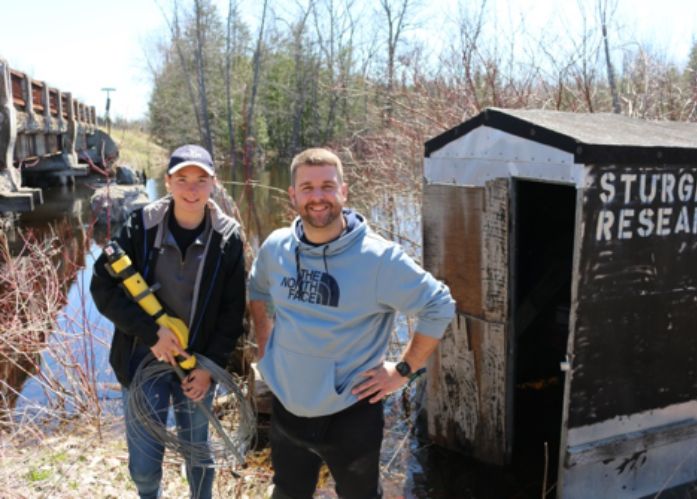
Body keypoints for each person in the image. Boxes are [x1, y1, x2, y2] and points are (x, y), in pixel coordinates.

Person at [248, 148, 455, 499]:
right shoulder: (276, 247)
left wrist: (404, 370)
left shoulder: (379, 259)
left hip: (350, 414)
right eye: (308, 187)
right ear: (293, 195)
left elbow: (438, 304)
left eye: (327, 186)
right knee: (286, 492)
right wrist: (266, 347)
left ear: (344, 191)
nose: (318, 197)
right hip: (286, 408)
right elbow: (257, 287)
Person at [90, 144, 246, 499]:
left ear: (213, 184)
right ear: (169, 182)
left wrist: (209, 367)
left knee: (199, 456)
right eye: (182, 179)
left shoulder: (229, 238)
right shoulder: (140, 227)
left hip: (197, 367)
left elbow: (231, 313)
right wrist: (151, 333)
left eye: (201, 180)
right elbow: (102, 287)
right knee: (144, 465)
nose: (192, 189)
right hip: (142, 361)